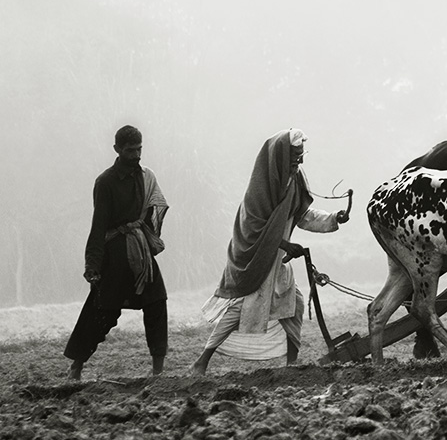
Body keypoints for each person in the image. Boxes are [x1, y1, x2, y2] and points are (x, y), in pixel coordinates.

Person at [191, 129, 349, 375]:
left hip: (277, 260)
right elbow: (253, 228)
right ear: (281, 156)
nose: (301, 160)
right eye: (295, 155)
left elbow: (302, 215)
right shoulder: (260, 188)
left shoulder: (295, 181)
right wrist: (286, 245)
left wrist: (334, 218)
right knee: (239, 309)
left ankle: (292, 364)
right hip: (254, 259)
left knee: (294, 304)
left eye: (302, 154)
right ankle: (202, 361)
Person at [65, 125, 169, 381]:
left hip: (140, 250)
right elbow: (98, 226)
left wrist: (143, 234)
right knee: (103, 310)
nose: (136, 155)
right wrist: (93, 265)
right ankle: (76, 367)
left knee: (157, 303)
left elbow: (150, 212)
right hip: (115, 254)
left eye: (139, 149)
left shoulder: (145, 176)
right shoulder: (105, 182)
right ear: (117, 150)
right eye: (130, 150)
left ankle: (158, 372)